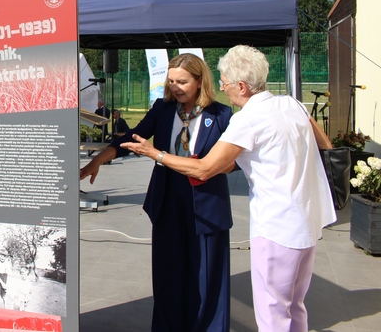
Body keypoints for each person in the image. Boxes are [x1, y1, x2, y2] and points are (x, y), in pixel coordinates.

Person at [122, 45, 336, 332]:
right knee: (294, 305)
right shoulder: (291, 104)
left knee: (273, 311)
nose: (222, 87)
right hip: (308, 221)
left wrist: (154, 153)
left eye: (225, 81)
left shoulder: (247, 119)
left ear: (243, 86)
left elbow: (204, 169)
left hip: (276, 226)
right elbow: (325, 145)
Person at [81, 53, 233, 332]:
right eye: (171, 80)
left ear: (200, 81)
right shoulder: (162, 109)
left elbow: (232, 163)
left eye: (182, 82)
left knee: (207, 275)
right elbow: (132, 137)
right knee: (168, 274)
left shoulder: (221, 115)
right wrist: (97, 160)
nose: (175, 87)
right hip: (167, 199)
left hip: (207, 202)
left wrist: (203, 165)